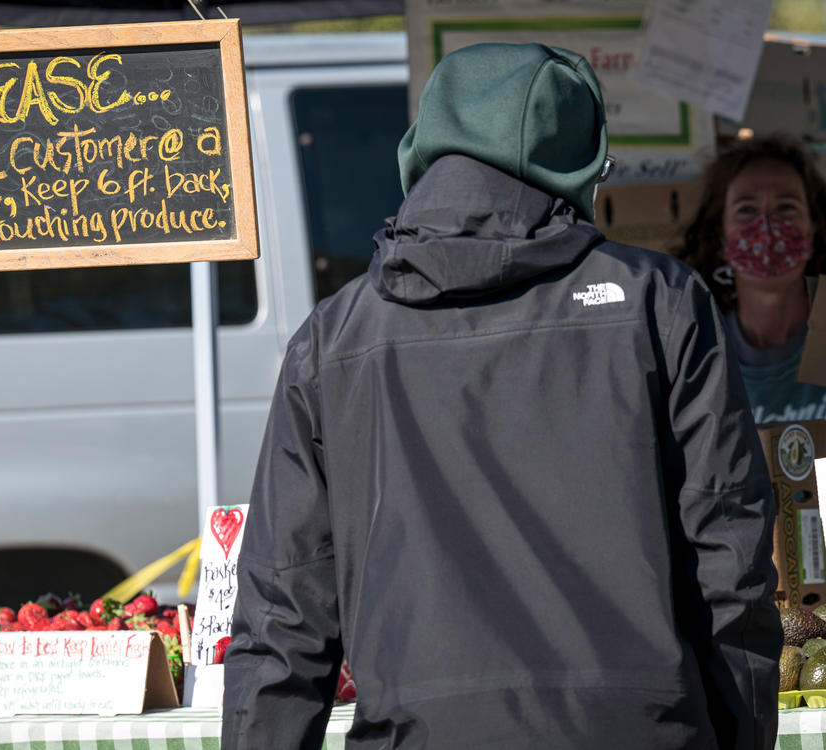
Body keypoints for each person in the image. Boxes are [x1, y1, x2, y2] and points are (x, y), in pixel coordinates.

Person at [221, 43, 782, 750]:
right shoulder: (658, 302)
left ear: (424, 146)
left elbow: (282, 618)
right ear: (579, 163)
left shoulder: (333, 340)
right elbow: (730, 564)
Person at [673, 135, 826, 424]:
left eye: (786, 208)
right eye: (746, 210)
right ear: (720, 235)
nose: (767, 228)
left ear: (813, 226)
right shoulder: (698, 353)